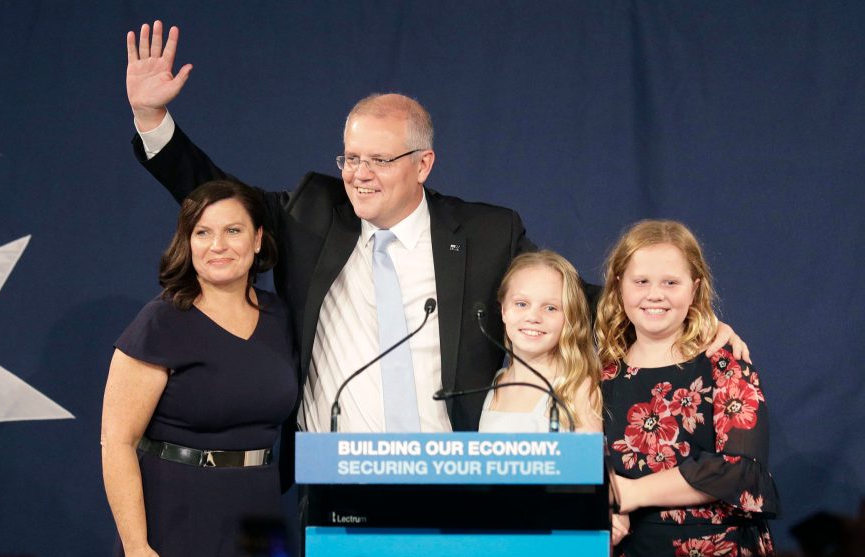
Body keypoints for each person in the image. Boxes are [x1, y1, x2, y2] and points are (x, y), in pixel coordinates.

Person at [124, 20, 749, 433]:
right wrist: (153, 119)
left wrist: (700, 324)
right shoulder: (308, 213)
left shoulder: (484, 232)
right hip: (338, 469)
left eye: (378, 160)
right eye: (350, 157)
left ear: (423, 163)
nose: (357, 174)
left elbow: (576, 299)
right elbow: (213, 196)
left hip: (453, 467)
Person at [101, 180, 298, 557]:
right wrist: (137, 550)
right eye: (202, 232)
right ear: (187, 242)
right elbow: (117, 441)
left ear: (258, 239)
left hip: (258, 514)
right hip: (177, 515)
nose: (217, 245)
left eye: (233, 231)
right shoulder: (161, 321)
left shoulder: (282, 317)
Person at [595, 220, 778, 557]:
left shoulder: (724, 364)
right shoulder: (600, 374)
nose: (655, 294)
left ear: (694, 289)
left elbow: (738, 469)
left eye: (671, 282)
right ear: (618, 287)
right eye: (641, 281)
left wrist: (628, 494)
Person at [478, 250, 601, 433]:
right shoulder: (494, 382)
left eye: (551, 308)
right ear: (503, 309)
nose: (533, 317)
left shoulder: (577, 390)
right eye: (521, 304)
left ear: (569, 316)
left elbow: (585, 461)